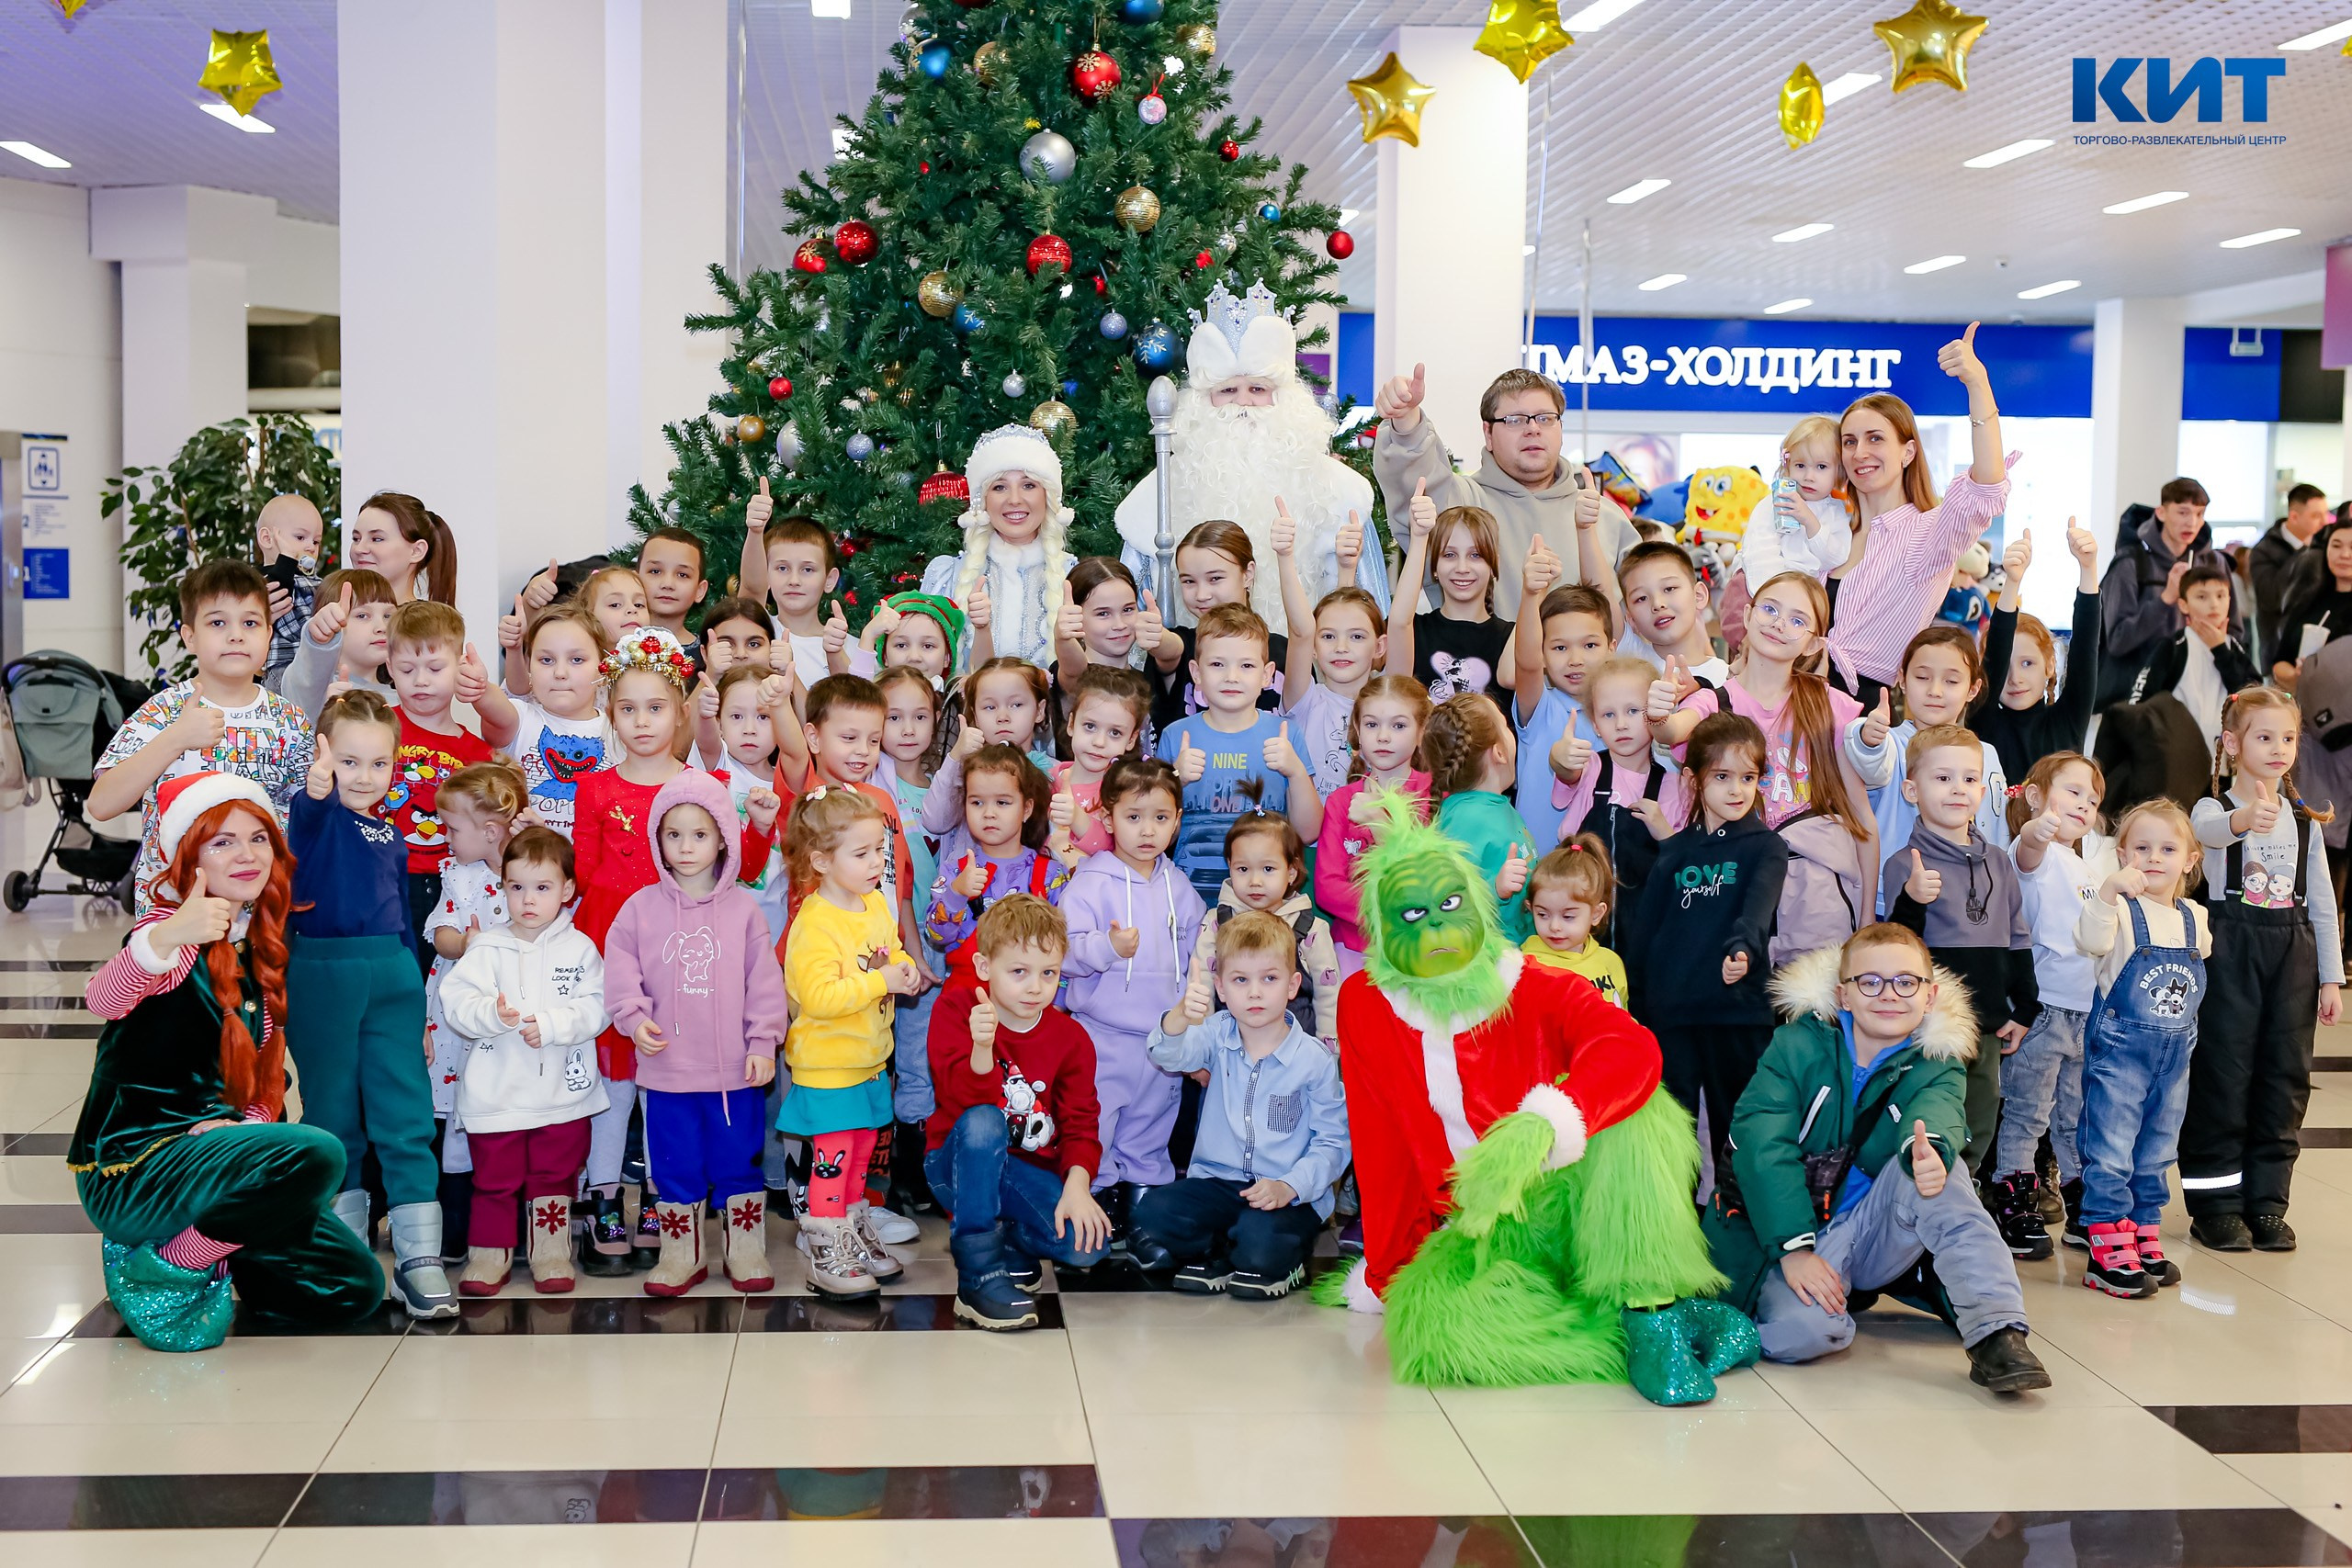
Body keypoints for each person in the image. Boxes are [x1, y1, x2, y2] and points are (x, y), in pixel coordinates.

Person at [1317, 787, 1754, 1404]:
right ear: (1385, 929)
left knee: (1643, 1114)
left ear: (1477, 905)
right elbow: (1379, 1144)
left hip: (1569, 1196)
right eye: (1413, 915)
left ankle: (1653, 1308)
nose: (1438, 926)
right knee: (1433, 1333)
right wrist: (1390, 1272)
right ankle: (1635, 1331)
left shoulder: (1529, 981)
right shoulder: (1366, 1002)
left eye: (1449, 904)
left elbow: (1632, 1049)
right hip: (1479, 1225)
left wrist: (1547, 1120)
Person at [74, 774, 381, 1351]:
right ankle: (169, 1263)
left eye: (259, 839)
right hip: (137, 1171)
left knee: (352, 1288)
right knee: (319, 1152)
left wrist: (246, 1132)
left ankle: (227, 1248)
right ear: (189, 857)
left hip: (218, 1163)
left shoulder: (259, 946)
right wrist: (167, 936)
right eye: (222, 842)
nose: (246, 855)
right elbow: (103, 999)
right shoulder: (168, 937)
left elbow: (268, 1083)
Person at [1702, 924, 2049, 1393]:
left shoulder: (1939, 1057)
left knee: (1942, 1177)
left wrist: (1930, 1151)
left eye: (1906, 982)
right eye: (1870, 982)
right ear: (1844, 994)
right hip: (1790, 1232)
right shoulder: (1795, 1046)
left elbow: (1936, 1112)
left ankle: (1998, 1334)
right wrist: (1794, 1250)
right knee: (1802, 1335)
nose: (1889, 995)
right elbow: (1762, 1147)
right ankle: (1862, 1287)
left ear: (1930, 995)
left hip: (1872, 1227)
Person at [573, 630, 781, 1270]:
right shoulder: (594, 788)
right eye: (628, 708)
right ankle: (607, 1197)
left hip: (698, 953)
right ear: (611, 712)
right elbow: (583, 873)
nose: (642, 721)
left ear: (682, 711)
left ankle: (671, 1203)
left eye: (656, 707)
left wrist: (763, 828)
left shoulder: (705, 782)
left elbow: (736, 863)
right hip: (623, 949)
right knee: (619, 1084)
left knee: (683, 1090)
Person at [285, 689, 450, 1318]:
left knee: (406, 1114)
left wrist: (418, 1002)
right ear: (325, 759)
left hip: (393, 978)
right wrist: (318, 788)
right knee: (332, 1115)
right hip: (324, 974)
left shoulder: (390, 832)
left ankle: (419, 1257)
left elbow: (406, 923)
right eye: (348, 761)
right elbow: (309, 813)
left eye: (377, 763)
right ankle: (347, 1254)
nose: (364, 776)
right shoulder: (318, 817)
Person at [1113, 278, 1391, 634]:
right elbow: (1137, 617)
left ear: (1284, 399)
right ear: (1201, 401)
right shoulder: (1157, 496)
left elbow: (1370, 618)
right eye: (1227, 390)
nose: (1243, 403)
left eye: (1257, 389)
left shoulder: (1340, 494)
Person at [605, 772, 789, 1295]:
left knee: (738, 1161)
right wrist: (634, 1019)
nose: (686, 848)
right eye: (673, 835)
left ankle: (745, 1247)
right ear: (656, 840)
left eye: (700, 835)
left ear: (724, 839)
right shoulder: (638, 909)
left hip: (736, 1071)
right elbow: (619, 972)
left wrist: (762, 1042)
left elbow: (764, 984)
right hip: (666, 1073)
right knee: (674, 1165)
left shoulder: (744, 911)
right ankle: (679, 1253)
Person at [2183, 688, 2343, 1253]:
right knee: (2224, 1075)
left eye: (2288, 738)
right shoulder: (2214, 810)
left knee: (2284, 1079)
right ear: (2231, 743)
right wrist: (2247, 816)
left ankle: (2267, 1203)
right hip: (2232, 953)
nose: (2278, 748)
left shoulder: (2305, 825)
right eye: (2264, 736)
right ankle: (2215, 1204)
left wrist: (2330, 977)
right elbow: (2207, 834)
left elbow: (2321, 905)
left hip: (2292, 958)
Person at [1129, 911, 1350, 1299]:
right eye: (1240, 980)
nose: (1254, 993)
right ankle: (1219, 1253)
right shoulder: (1214, 1032)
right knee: (1153, 1212)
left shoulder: (1314, 1060)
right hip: (1220, 1185)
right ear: (1221, 987)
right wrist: (1180, 1016)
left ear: (1293, 985)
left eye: (1269, 978)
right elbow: (1167, 1055)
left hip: (1286, 1193)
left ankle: (1273, 1253)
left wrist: (1290, 1185)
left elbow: (1333, 1143)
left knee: (1260, 1243)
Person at [925, 896, 1113, 1330]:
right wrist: (982, 1049)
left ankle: (1011, 1240)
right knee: (986, 1121)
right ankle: (978, 1277)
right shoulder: (956, 1012)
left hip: (1024, 1174)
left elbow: (1082, 1122)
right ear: (985, 967)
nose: (1035, 987)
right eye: (1019, 972)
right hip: (954, 1165)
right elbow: (966, 1109)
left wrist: (1078, 1187)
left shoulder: (1071, 1038)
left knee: (1089, 1247)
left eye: (1048, 973)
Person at [439, 825, 610, 1296]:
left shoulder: (581, 949)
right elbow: (456, 1000)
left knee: (555, 1174)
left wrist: (554, 1025)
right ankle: (489, 1254)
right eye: (517, 888)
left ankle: (551, 1251)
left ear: (567, 890)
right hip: (497, 1095)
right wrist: (489, 1014)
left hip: (561, 1093)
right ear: (503, 889)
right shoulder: (486, 949)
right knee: (494, 1179)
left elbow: (597, 1007)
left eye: (542, 888)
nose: (528, 900)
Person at [91, 559, 314, 917]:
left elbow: (309, 820)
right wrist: (175, 738)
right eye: (218, 622)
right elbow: (101, 805)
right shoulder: (162, 712)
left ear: (269, 635)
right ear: (190, 636)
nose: (236, 635)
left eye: (251, 622)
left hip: (264, 919)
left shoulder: (289, 719)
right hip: (171, 916)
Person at [1623, 711, 1789, 1161]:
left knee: (1738, 1138)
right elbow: (1645, 934)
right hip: (1670, 1012)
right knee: (1671, 1141)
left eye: (1748, 777)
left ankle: (1734, 1224)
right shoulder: (1675, 851)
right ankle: (1677, 1225)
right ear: (1694, 780)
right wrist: (1634, 1005)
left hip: (1737, 1013)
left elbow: (1758, 910)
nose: (1736, 790)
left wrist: (1742, 950)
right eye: (1722, 776)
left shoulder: (1766, 846)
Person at [1820, 323, 2012, 709]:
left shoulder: (1927, 534)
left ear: (1908, 453)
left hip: (1864, 710)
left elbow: (1986, 486)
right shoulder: (1830, 528)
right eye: (1850, 441)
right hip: (1797, 698)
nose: (1860, 453)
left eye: (1876, 438)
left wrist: (1978, 384)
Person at [780, 784, 924, 1295]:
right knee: (834, 1156)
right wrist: (880, 982)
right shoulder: (815, 923)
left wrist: (903, 971)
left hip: (868, 1062)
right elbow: (817, 996)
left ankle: (854, 1229)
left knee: (862, 1154)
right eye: (861, 854)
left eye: (880, 852)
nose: (875, 863)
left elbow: (894, 954)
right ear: (820, 860)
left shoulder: (874, 906)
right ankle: (826, 1246)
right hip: (828, 1067)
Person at [1372, 362, 1640, 618]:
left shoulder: (1603, 516)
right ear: (1488, 433)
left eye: (1546, 418)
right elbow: (1415, 478)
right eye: (1515, 420)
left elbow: (1643, 610)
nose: (1533, 429)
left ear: (1561, 429)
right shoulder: (1462, 504)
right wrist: (1406, 420)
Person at [1884, 723, 2039, 1168]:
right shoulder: (1904, 865)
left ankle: (1964, 1195)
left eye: (1970, 779)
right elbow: (1896, 947)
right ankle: (1922, 1199)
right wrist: (1912, 898)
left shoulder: (1998, 862)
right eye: (1943, 778)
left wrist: (2024, 1006)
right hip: (1929, 1027)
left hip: (1988, 1022)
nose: (1958, 790)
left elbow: (2017, 935)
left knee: (1982, 1112)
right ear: (1912, 790)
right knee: (1931, 1114)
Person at [2074, 800, 2210, 1294]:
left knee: (2158, 1145)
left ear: (2190, 860)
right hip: (2121, 1051)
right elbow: (2088, 940)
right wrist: (2107, 894)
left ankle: (2142, 1226)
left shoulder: (2195, 917)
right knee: (2110, 1145)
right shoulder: (2119, 914)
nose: (2154, 858)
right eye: (2141, 849)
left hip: (2176, 1057)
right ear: (2122, 855)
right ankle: (2105, 1237)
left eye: (2168, 849)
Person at [1058, 756, 1207, 1208]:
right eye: (1134, 817)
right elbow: (1064, 953)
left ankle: (1145, 1201)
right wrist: (1107, 947)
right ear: (1107, 817)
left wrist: (1195, 1033)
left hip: (1164, 1039)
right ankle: (1098, 1196)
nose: (1147, 831)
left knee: (1151, 1124)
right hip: (1102, 1038)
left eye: (1160, 818)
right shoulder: (1088, 884)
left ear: (1177, 821)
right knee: (1098, 1121)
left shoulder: (1181, 889)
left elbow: (1199, 964)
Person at [1986, 752, 2110, 1258]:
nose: (2084, 804)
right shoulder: (2032, 851)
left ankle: (2080, 1205)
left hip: (2084, 1012)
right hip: (2045, 1012)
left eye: (2093, 799)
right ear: (2035, 796)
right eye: (2073, 791)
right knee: (2026, 1112)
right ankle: (2014, 1198)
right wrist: (2040, 828)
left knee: (2075, 1116)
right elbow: (2028, 851)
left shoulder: (2082, 864)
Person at [420, 761, 526, 1261]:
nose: (445, 836)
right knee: (456, 1119)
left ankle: (518, 1225)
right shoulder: (458, 876)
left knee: (510, 1117)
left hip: (510, 1018)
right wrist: (466, 941)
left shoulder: (529, 876)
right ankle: (456, 1225)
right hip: (457, 1025)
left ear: (489, 831)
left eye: (452, 828)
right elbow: (440, 935)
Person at [382, 601, 517, 967]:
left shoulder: (476, 752)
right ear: (390, 667)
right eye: (408, 669)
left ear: (459, 668)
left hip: (452, 884)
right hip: (387, 879)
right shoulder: (379, 730)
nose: (421, 680)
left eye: (435, 668)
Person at [1158, 604, 1323, 904]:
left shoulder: (1286, 735)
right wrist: (1175, 781)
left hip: (1267, 902)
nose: (1231, 676)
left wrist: (1296, 771)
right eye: (1217, 665)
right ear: (1196, 672)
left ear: (1267, 675)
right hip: (1190, 899)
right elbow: (1157, 835)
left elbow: (1309, 832)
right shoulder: (1175, 736)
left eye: (1246, 666)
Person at [913, 423, 1074, 669]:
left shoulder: (1073, 575)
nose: (1014, 499)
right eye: (1000, 487)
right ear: (983, 501)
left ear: (1047, 496)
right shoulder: (948, 576)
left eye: (1028, 485)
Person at [922, 744, 1079, 986]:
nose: (989, 813)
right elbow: (936, 935)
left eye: (1002, 803)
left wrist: (1057, 999)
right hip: (965, 1000)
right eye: (977, 803)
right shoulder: (955, 871)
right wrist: (956, 893)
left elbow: (1064, 946)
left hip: (1029, 1001)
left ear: (1026, 808)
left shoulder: (1050, 875)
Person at [1314, 676, 1431, 977]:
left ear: (1422, 731)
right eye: (1371, 724)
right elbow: (1327, 888)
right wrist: (1394, 911)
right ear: (1356, 730)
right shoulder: (1342, 802)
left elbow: (1431, 876)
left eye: (1399, 726)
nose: (1382, 736)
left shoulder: (1435, 793)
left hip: (1420, 947)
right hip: (1353, 951)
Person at [1971, 520, 2103, 783]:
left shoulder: (2067, 721)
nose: (2015, 678)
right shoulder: (1983, 719)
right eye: (2005, 668)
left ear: (2050, 665)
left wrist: (2088, 568)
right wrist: (2012, 582)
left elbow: (2085, 650)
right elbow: (1996, 653)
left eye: (2027, 663)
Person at [2098, 477, 2238, 710]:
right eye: (2183, 513)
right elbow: (2118, 641)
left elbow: (2235, 633)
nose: (2192, 523)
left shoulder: (2215, 563)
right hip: (2138, 700)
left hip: (2201, 697)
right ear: (2161, 513)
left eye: (2199, 514)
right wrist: (2165, 599)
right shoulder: (2130, 563)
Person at [1423, 694, 1541, 943]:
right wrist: (1496, 889)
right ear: (1499, 752)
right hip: (1492, 960)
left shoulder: (1493, 806)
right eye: (1506, 726)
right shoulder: (1467, 818)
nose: (1512, 734)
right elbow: (1445, 898)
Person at [499, 603, 614, 840]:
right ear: (529, 665)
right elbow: (488, 704)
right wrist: (513, 649)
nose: (560, 673)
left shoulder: (619, 731)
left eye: (577, 660)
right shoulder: (521, 717)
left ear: (602, 668)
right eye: (547, 660)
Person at [2124, 561, 2262, 758]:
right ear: (2183, 604)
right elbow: (2139, 700)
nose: (2214, 604)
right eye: (2202, 597)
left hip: (2224, 760)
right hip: (2176, 758)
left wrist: (2220, 649)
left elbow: (2253, 698)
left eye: (2221, 596)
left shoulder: (2234, 647)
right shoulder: (2173, 646)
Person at [1389, 496, 1516, 706]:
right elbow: (1398, 622)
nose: (1462, 567)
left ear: (1494, 564)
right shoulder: (1414, 631)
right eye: (1449, 555)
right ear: (1435, 567)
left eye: (1476, 555)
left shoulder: (1511, 638)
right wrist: (1420, 538)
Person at [1739, 416, 1853, 592]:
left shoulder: (1836, 511)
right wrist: (1773, 594)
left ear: (1839, 472)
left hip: (1801, 599)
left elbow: (1835, 558)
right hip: (1758, 589)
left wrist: (1810, 521)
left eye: (1821, 467)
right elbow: (1760, 552)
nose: (1809, 476)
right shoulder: (1775, 502)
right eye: (1800, 465)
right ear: (1788, 465)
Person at [1521, 838, 1628, 1007]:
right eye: (1543, 914)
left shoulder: (1610, 962)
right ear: (1531, 908)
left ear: (1596, 914)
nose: (1554, 927)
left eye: (1568, 917)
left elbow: (1624, 1022)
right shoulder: (1525, 967)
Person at [282, 569, 398, 719]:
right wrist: (318, 638)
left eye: (388, 615)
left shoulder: (406, 698)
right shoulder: (317, 692)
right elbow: (305, 681)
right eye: (362, 615)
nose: (382, 627)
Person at [2267, 519, 2352, 685]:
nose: (2344, 554)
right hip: (2307, 703)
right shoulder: (2308, 599)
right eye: (2336, 546)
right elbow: (2280, 661)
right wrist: (2296, 675)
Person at [255, 493, 325, 695]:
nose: (310, 547)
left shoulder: (314, 582)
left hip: (314, 667)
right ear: (267, 539)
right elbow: (279, 589)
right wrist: (287, 558)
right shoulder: (259, 580)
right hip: (282, 669)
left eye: (316, 541)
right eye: (300, 537)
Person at [2250, 481, 2334, 649]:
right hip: (2279, 647)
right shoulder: (2264, 550)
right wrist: (2304, 552)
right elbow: (2271, 599)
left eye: (2325, 514)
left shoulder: (2325, 547)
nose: (2324, 521)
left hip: (2320, 644)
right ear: (2294, 517)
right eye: (2316, 515)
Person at [346, 490, 458, 604]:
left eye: (377, 539)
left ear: (416, 551)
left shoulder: (425, 622)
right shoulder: (339, 614)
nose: (359, 549)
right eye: (356, 539)